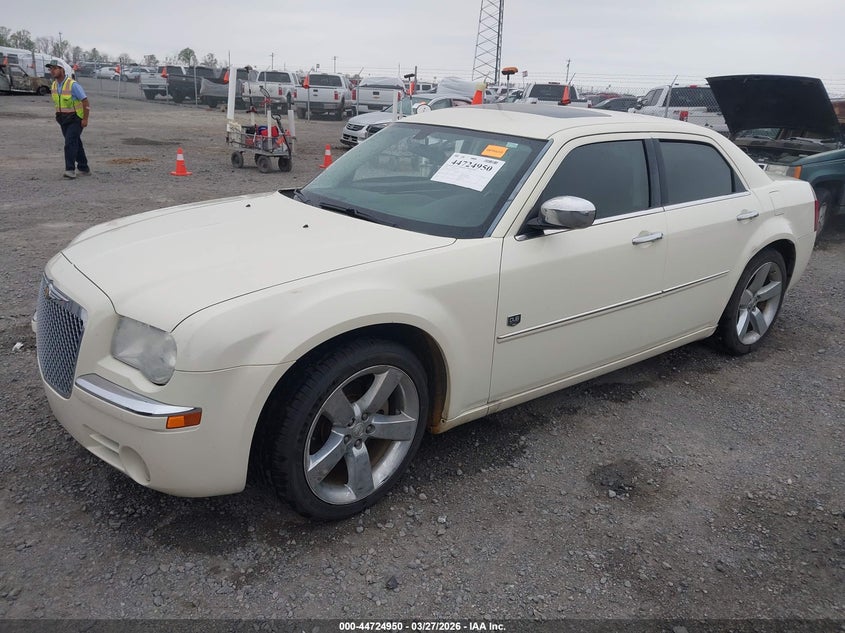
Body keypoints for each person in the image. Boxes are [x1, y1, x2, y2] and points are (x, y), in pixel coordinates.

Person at [47, 59, 90, 179]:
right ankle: (84, 167)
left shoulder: (73, 85)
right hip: (63, 119)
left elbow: (85, 101)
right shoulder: (54, 85)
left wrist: (85, 119)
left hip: (75, 118)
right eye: (51, 69)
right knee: (76, 143)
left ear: (62, 69)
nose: (52, 71)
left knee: (70, 143)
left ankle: (70, 170)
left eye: (55, 68)